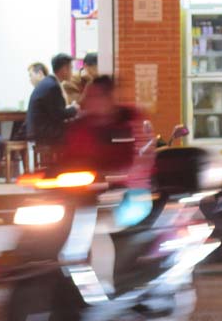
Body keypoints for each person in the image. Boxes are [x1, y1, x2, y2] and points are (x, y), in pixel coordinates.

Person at [62, 76, 154, 226]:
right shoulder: (81, 126)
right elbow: (68, 160)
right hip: (85, 192)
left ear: (109, 98)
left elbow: (142, 159)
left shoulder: (132, 119)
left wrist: (113, 176)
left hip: (129, 192)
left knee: (106, 223)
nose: (87, 101)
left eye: (94, 96)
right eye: (87, 96)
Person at [25, 53, 79, 166]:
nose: (72, 72)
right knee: (80, 133)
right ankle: (70, 167)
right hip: (45, 132)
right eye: (71, 68)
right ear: (64, 69)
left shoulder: (48, 83)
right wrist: (74, 109)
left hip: (39, 130)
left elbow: (54, 111)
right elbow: (59, 114)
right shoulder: (52, 86)